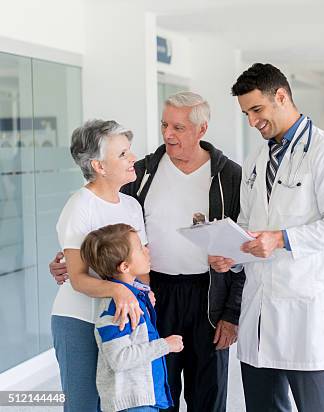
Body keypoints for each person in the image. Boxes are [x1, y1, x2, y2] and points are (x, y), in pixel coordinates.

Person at [51, 92, 245, 412]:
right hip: (143, 298)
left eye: (179, 127)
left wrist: (231, 313)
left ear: (202, 129)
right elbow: (91, 249)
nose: (168, 134)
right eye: (164, 124)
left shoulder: (229, 177)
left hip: (200, 296)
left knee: (206, 393)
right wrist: (70, 264)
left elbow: (240, 247)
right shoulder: (139, 176)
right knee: (144, 392)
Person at [210, 63, 324, 411]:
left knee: (315, 404)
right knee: (262, 404)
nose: (251, 121)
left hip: (303, 302)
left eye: (256, 110)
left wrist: (281, 239)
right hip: (258, 304)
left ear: (281, 96)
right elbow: (248, 223)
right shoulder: (258, 157)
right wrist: (233, 254)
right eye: (246, 113)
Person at [51, 120, 148, 412]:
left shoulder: (132, 206)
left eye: (129, 151)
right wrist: (119, 291)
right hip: (78, 320)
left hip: (120, 317)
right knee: (83, 405)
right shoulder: (80, 205)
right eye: (122, 154)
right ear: (99, 166)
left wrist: (142, 296)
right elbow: (78, 279)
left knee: (123, 403)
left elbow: (140, 268)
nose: (133, 158)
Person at [81, 223, 182, 412]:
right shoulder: (118, 308)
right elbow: (119, 358)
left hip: (144, 400)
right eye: (140, 248)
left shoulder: (135, 297)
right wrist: (165, 345)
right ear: (125, 266)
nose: (147, 249)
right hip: (132, 405)